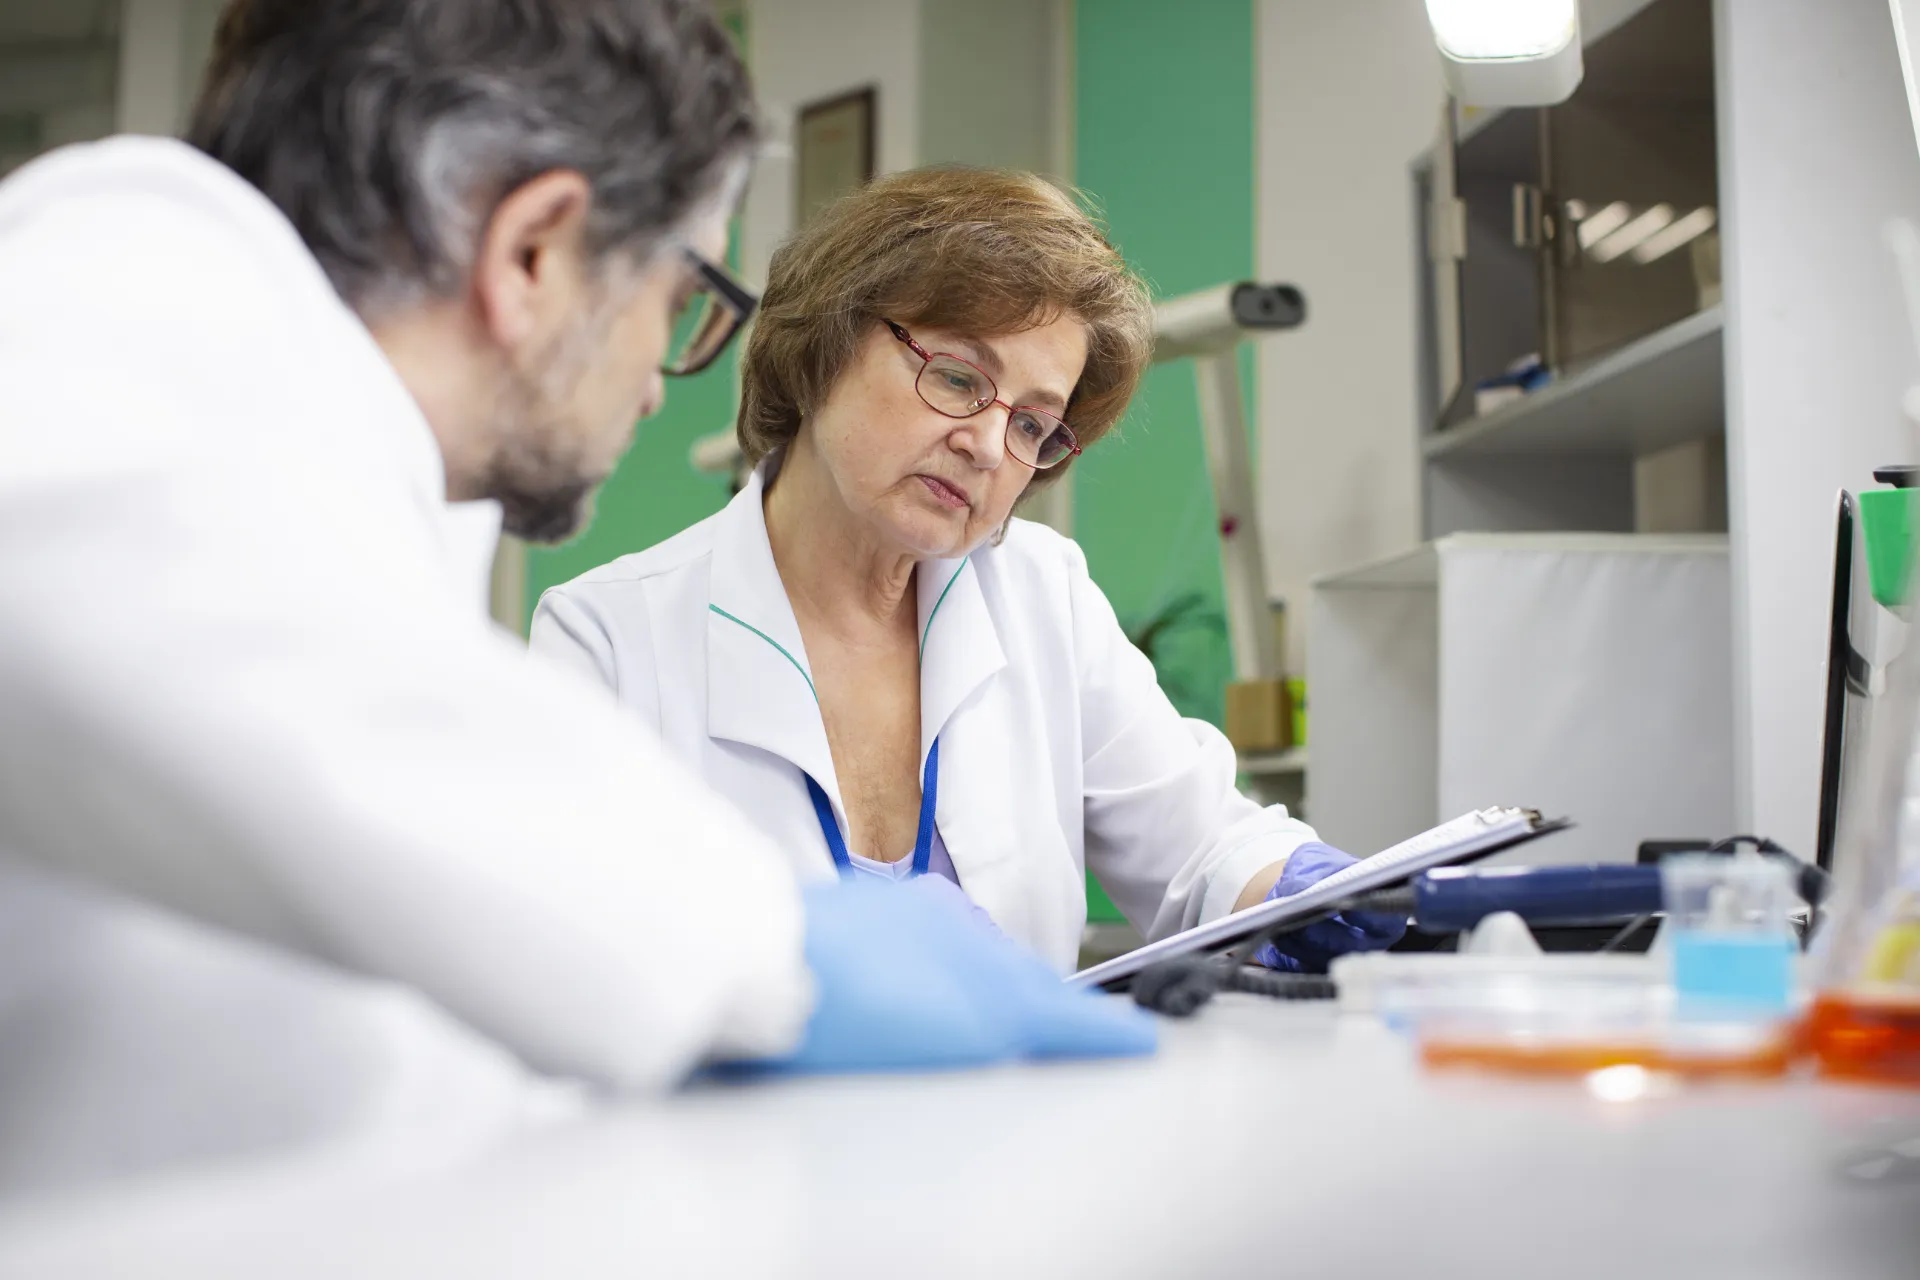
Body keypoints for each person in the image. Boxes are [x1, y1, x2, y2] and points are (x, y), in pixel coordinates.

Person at [0, 0, 1148, 1197]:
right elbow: (291, 695)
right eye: (677, 295)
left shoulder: (349, 462)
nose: (660, 380)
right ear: (536, 250)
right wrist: (766, 951)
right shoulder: (118, 298)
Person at [530, 169, 1406, 974]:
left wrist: (1312, 891)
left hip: (1017, 1132)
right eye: (957, 378)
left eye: (1033, 424)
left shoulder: (1040, 593)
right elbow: (578, 967)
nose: (989, 444)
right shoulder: (608, 638)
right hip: (741, 1138)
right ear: (826, 344)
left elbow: (1204, 851)